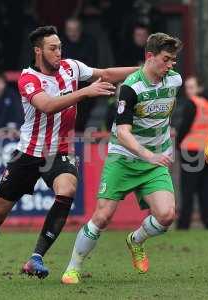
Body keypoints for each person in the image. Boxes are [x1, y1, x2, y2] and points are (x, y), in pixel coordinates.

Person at [0, 25, 138, 284]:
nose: (59, 53)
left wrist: (143, 71)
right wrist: (85, 92)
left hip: (60, 150)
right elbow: (48, 106)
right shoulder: (27, 79)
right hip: (28, 154)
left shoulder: (71, 67)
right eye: (53, 48)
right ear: (38, 51)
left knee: (67, 190)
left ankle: (36, 258)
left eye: (60, 47)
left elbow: (106, 73)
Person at [61, 32, 183, 284]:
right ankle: (73, 267)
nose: (171, 65)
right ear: (150, 57)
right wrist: (149, 155)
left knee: (167, 216)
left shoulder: (175, 80)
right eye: (167, 59)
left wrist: (155, 155)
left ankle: (135, 240)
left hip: (154, 160)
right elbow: (124, 133)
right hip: (125, 158)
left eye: (174, 60)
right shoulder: (130, 87)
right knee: (102, 216)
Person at [176, 75, 208, 230]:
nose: (188, 91)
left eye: (191, 87)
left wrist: (177, 145)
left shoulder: (192, 104)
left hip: (192, 151)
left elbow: (183, 128)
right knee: (207, 189)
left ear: (199, 88)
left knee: (188, 190)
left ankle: (183, 225)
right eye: (187, 87)